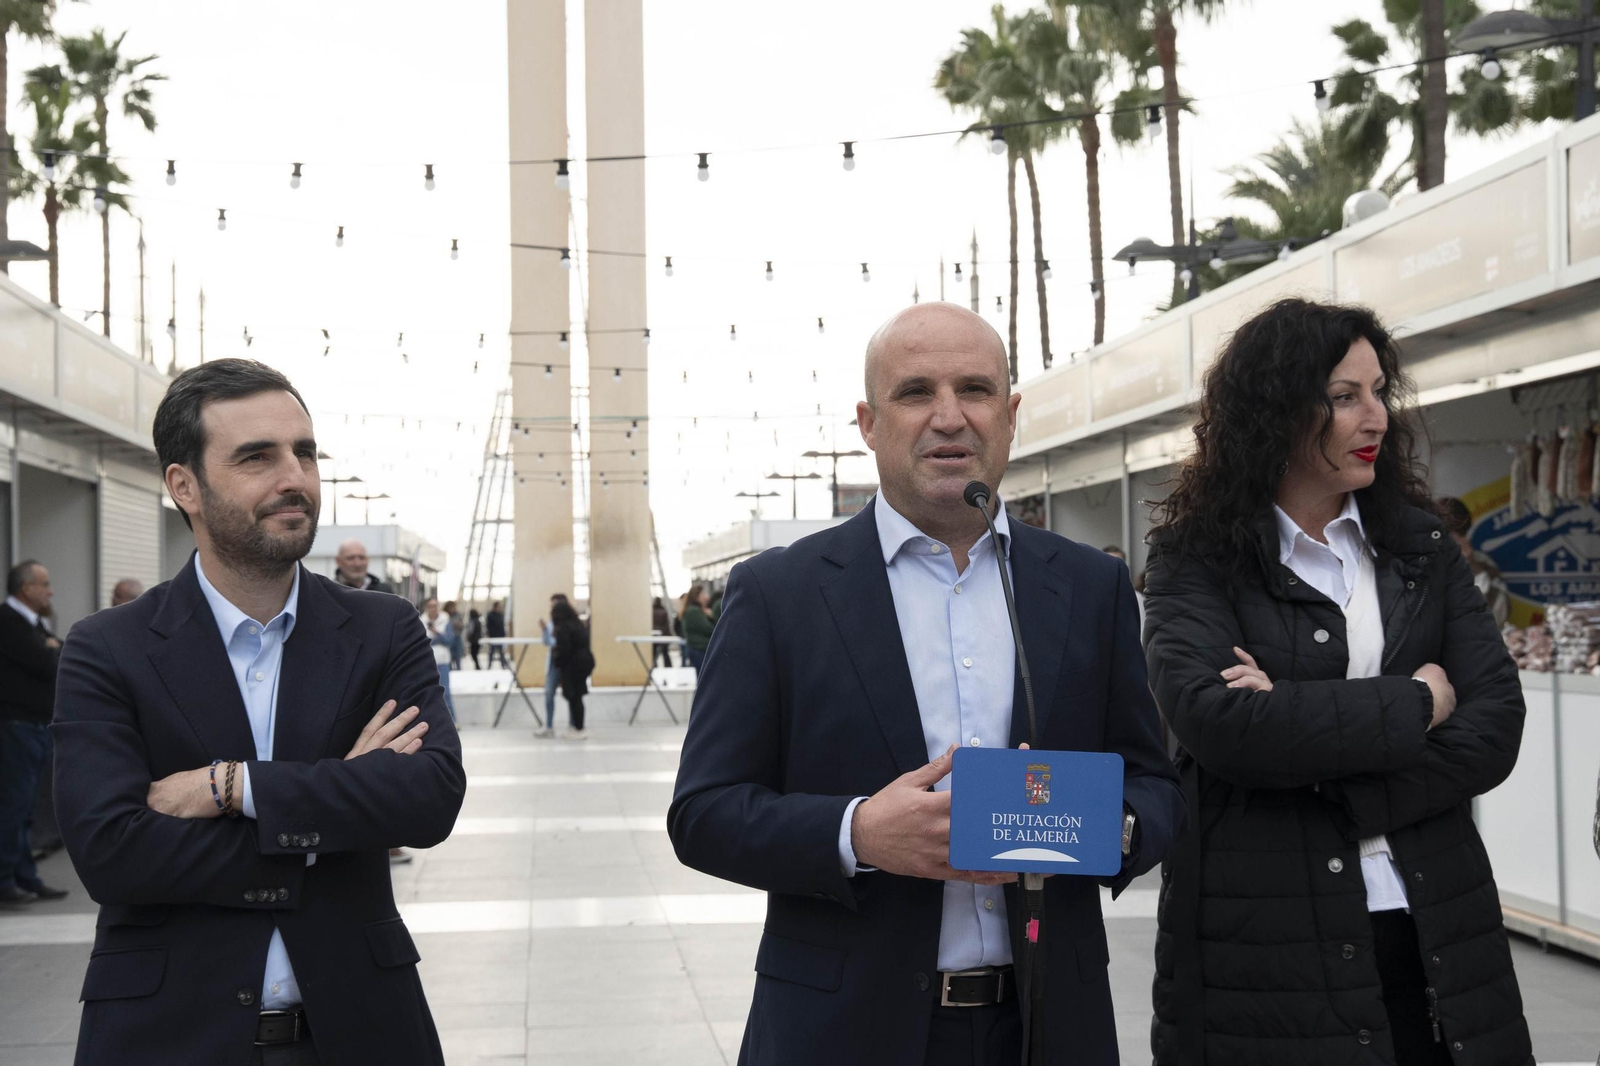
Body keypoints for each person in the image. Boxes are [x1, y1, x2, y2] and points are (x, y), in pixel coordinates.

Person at [668, 302, 1182, 1066]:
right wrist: (858, 833)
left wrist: (1118, 829)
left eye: (975, 390)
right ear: (869, 423)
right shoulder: (780, 594)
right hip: (843, 1031)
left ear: (1009, 416)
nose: (949, 418)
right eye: (915, 393)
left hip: (1048, 1026)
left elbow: (1156, 782)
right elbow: (704, 812)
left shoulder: (1087, 586)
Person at [1141, 299, 1530, 1065]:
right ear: (1277, 410)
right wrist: (1418, 702)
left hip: (1438, 928)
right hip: (1262, 952)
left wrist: (1309, 752)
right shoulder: (1197, 556)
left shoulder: (1418, 546)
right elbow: (1214, 722)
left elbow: (1494, 723)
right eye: (1345, 396)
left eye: (1379, 391)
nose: (1376, 416)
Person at [53, 358, 465, 1064]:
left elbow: (427, 800)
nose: (295, 477)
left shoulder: (381, 630)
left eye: (304, 452)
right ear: (184, 486)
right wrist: (336, 804)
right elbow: (114, 856)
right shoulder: (107, 648)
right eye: (257, 457)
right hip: (169, 1038)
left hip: (364, 1033)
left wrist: (235, 787)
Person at [0, 561, 69, 904]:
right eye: (45, 584)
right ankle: (5, 880)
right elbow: (45, 663)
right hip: (17, 728)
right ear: (26, 589)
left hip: (36, 727)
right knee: (13, 805)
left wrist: (54, 649)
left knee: (28, 807)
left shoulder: (33, 624)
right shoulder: (9, 623)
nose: (50, 591)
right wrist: (52, 650)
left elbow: (59, 655)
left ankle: (26, 876)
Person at [1435, 495, 1512, 628]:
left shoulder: (1482, 563)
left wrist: (1472, 566)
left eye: (1462, 533)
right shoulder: (1420, 565)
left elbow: (1500, 615)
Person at [549, 601, 593, 741]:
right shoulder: (577, 624)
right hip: (584, 662)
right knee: (577, 696)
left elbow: (564, 649)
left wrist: (558, 663)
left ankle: (579, 728)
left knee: (574, 696)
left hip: (572, 665)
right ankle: (578, 727)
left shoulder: (564, 628)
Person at [535, 593, 570, 739]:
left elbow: (562, 643)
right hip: (553, 663)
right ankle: (549, 726)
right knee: (549, 694)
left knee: (571, 695)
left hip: (567, 663)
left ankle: (573, 726)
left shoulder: (569, 624)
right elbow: (548, 642)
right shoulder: (552, 623)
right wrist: (544, 630)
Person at [421, 597, 455, 721]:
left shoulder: (445, 619)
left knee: (446, 692)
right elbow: (423, 643)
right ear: (426, 607)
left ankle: (452, 720)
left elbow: (450, 640)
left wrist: (436, 633)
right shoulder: (421, 621)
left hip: (443, 661)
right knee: (428, 693)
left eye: (435, 606)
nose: (433, 609)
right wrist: (439, 638)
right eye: (430, 606)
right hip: (427, 662)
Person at [680, 584, 714, 672]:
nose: (706, 597)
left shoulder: (693, 610)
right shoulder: (694, 611)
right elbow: (708, 629)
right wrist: (712, 617)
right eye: (703, 594)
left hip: (697, 648)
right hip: (699, 649)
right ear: (696, 596)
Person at [485, 599, 509, 669]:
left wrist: (503, 634)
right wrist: (492, 635)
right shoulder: (490, 615)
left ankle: (503, 666)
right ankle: (489, 666)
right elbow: (489, 627)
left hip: (500, 637)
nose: (500, 608)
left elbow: (501, 626)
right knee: (492, 652)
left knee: (501, 653)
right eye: (499, 607)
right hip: (494, 637)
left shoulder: (500, 615)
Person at [651, 596, 674, 668]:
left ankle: (654, 666)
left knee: (654, 653)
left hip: (653, 635)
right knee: (665, 652)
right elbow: (666, 625)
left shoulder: (651, 612)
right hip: (663, 634)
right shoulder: (663, 611)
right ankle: (668, 666)